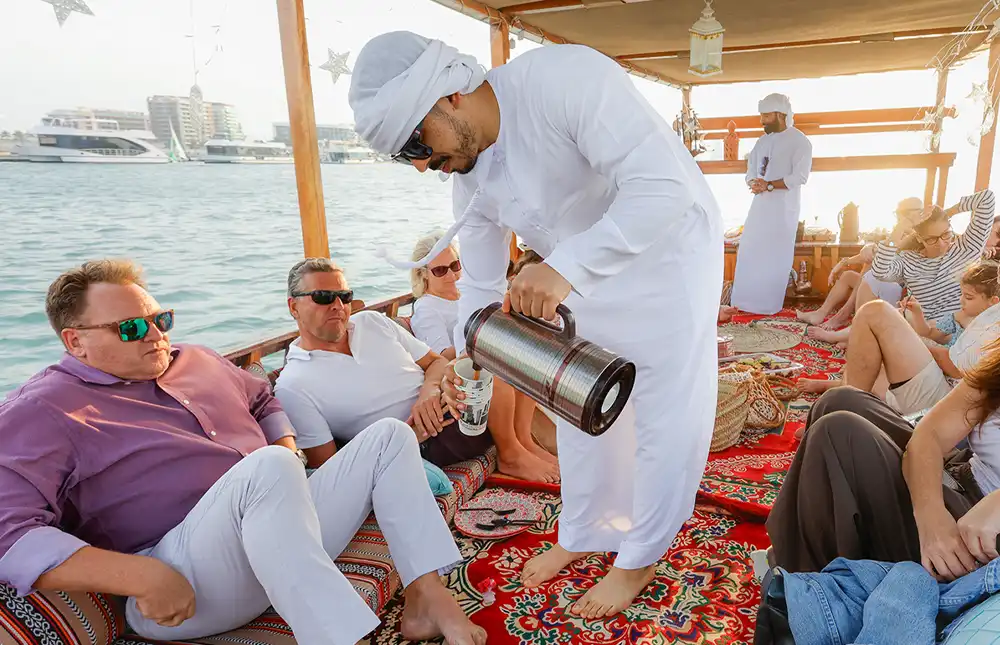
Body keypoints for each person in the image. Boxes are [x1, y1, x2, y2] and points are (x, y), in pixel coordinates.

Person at [348, 32, 723, 618]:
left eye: (416, 143)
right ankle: (585, 531)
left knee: (663, 411)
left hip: (667, 255)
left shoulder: (563, 79)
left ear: (450, 94)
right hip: (580, 276)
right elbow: (477, 285)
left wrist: (565, 266)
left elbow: (662, 186)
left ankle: (640, 557)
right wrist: (467, 361)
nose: (422, 165)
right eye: (405, 157)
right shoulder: (468, 179)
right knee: (580, 407)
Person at [0, 260, 486, 645]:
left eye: (160, 320)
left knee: (389, 437)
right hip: (188, 581)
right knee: (270, 466)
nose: (155, 335)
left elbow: (262, 400)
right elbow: (10, 535)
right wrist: (141, 577)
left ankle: (427, 598)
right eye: (130, 329)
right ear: (76, 341)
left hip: (285, 540)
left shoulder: (197, 359)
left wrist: (289, 454)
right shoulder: (42, 410)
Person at [274, 257, 558, 482]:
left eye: (344, 296)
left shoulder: (372, 322)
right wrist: (404, 438)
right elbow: (330, 469)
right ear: (293, 307)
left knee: (508, 349)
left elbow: (435, 362)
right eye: (323, 297)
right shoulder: (293, 385)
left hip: (444, 398)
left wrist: (429, 391)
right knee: (489, 359)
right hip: (422, 441)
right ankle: (510, 454)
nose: (338, 306)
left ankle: (523, 442)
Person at [766, 337, 1000, 581]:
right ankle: (801, 552)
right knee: (839, 400)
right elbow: (929, 434)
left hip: (977, 534)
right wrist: (931, 517)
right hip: (963, 474)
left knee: (839, 434)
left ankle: (798, 585)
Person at [797, 261, 1000, 411]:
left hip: (950, 395)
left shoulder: (992, 328)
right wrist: (917, 317)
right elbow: (931, 332)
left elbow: (955, 366)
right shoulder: (965, 316)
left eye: (969, 297)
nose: (961, 301)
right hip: (941, 378)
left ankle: (844, 409)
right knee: (871, 367)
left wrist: (913, 347)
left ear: (993, 302)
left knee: (876, 316)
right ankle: (840, 396)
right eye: (962, 294)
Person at [730, 94, 813, 315]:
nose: (762, 121)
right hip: (759, 208)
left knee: (774, 257)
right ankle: (742, 305)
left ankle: (767, 307)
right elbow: (751, 171)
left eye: (766, 116)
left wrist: (768, 185)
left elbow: (800, 177)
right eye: (762, 116)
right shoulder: (762, 142)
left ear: (780, 115)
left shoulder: (800, 142)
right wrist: (753, 183)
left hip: (783, 210)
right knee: (750, 251)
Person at [797, 197, 922, 332]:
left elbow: (880, 254)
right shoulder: (900, 234)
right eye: (897, 213)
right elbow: (877, 252)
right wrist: (844, 262)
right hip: (884, 281)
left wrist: (869, 249)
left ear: (917, 213)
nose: (898, 218)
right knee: (848, 276)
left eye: (902, 213)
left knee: (869, 268)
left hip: (899, 291)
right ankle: (820, 313)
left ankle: (843, 316)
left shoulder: (918, 237)